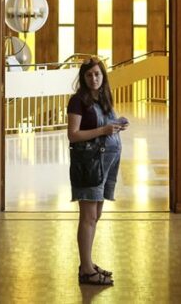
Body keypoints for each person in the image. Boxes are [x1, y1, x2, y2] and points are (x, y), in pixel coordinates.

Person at [67, 57, 129, 286]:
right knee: (88, 217)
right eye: (89, 75)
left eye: (97, 74)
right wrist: (104, 129)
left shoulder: (104, 98)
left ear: (103, 76)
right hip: (89, 163)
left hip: (106, 164)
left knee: (96, 215)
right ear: (83, 78)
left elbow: (105, 126)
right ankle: (86, 269)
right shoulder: (78, 101)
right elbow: (73, 134)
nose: (94, 78)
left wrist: (117, 125)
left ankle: (89, 263)